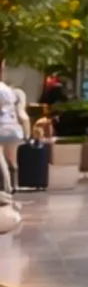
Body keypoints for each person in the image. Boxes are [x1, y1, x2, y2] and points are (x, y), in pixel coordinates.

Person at [0, 63, 26, 192]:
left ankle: (7, 186)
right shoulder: (9, 91)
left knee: (1, 158)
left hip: (2, 127)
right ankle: (13, 184)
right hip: (13, 128)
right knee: (11, 158)